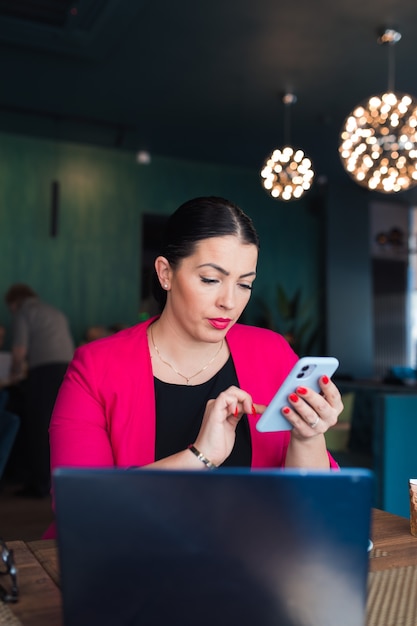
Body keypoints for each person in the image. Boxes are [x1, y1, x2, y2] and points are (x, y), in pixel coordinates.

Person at [46, 196, 342, 537]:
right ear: (165, 273)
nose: (229, 302)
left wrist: (308, 436)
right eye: (210, 279)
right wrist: (200, 457)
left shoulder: (272, 353)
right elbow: (79, 507)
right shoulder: (96, 367)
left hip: (252, 561)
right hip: (131, 561)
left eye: (244, 284)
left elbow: (312, 507)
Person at [5, 284, 75, 497]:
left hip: (44, 372)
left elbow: (19, 350)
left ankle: (40, 484)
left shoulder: (24, 312)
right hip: (68, 371)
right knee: (56, 426)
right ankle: (57, 482)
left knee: (37, 428)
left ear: (14, 303)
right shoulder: (54, 312)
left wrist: (14, 373)